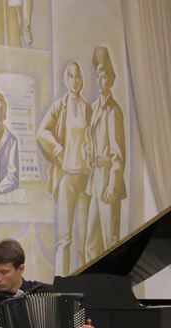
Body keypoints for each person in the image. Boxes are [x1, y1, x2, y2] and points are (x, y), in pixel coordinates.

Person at [37, 61, 100, 275]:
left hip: (84, 180)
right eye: (71, 76)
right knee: (64, 240)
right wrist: (59, 152)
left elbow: (95, 140)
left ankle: (86, 286)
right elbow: (41, 133)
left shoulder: (88, 109)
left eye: (78, 76)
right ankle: (61, 286)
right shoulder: (59, 106)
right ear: (66, 79)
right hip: (66, 180)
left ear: (82, 80)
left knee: (85, 242)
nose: (74, 81)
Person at [85, 46, 126, 251]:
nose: (100, 81)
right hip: (96, 183)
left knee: (111, 244)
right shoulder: (94, 108)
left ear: (110, 79)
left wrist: (113, 186)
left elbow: (118, 155)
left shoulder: (113, 110)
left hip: (109, 183)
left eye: (103, 77)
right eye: (97, 77)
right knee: (91, 244)